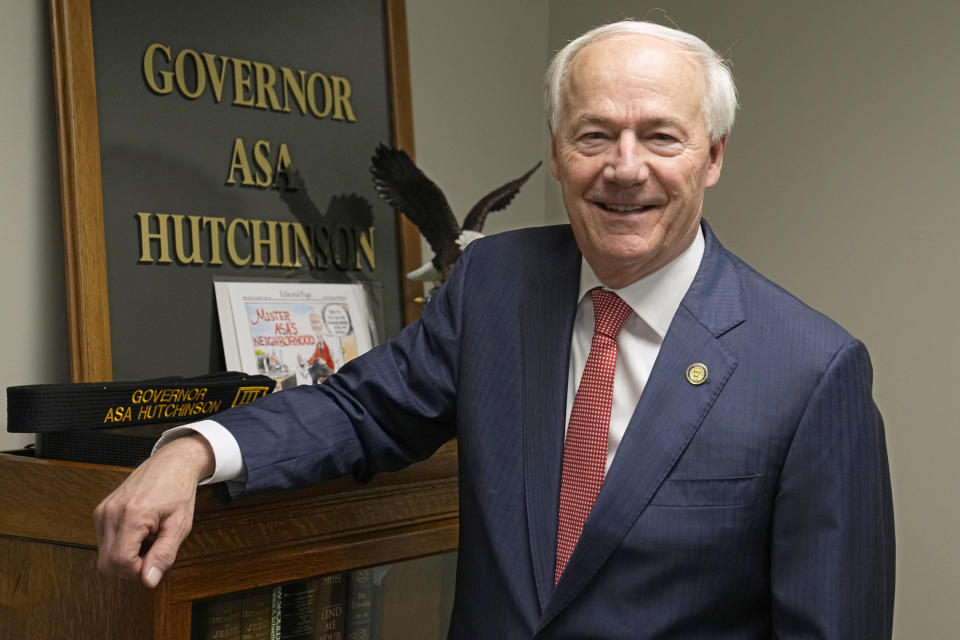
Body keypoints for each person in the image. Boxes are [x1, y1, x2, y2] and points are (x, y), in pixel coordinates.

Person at [95, 20, 894, 638]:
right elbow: (362, 411)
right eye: (593, 134)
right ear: (555, 151)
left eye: (660, 135)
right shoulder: (494, 286)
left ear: (712, 156)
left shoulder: (811, 370)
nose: (623, 166)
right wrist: (192, 452)